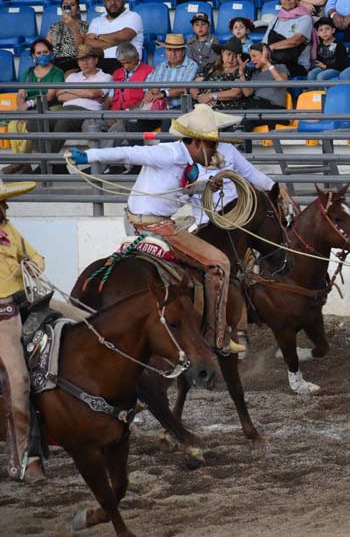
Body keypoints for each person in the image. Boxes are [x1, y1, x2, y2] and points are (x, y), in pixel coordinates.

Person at [67, 105, 242, 355]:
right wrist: (91, 156)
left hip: (138, 222)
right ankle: (217, 337)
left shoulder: (187, 160)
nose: (215, 151)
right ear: (198, 142)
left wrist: (201, 180)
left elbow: (186, 184)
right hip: (157, 225)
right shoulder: (169, 153)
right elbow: (129, 153)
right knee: (220, 263)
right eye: (212, 145)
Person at [0, 179, 47, 483]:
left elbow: (38, 258)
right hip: (3, 315)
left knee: (76, 321)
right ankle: (25, 457)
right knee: (18, 379)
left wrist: (31, 264)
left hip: (22, 304)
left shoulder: (10, 230)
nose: (4, 207)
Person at [28, 45, 111, 170]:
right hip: (65, 110)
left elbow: (93, 93)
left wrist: (72, 91)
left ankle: (46, 166)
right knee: (34, 123)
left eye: (88, 59)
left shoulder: (105, 77)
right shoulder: (72, 77)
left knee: (64, 121)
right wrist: (86, 93)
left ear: (96, 60)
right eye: (81, 60)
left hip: (87, 113)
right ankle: (56, 165)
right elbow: (60, 96)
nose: (84, 62)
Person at [1, 40, 64, 174]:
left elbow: (51, 94)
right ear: (33, 56)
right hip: (28, 109)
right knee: (13, 125)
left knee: (28, 126)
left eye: (45, 52)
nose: (42, 55)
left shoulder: (57, 72)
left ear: (51, 53)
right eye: (39, 53)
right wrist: (22, 109)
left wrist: (29, 103)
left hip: (49, 107)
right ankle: (23, 163)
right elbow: (20, 94)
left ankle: (20, 163)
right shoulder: (28, 73)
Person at [130, 34, 200, 133]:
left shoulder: (191, 66)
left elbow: (185, 87)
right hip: (157, 108)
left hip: (179, 108)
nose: (173, 54)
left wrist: (163, 93)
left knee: (167, 121)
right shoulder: (160, 66)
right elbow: (148, 84)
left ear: (183, 51)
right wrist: (149, 92)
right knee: (133, 124)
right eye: (169, 50)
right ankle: (138, 148)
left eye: (177, 50)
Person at [104, 43, 155, 155]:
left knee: (118, 128)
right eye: (123, 63)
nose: (126, 66)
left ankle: (99, 164)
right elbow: (110, 98)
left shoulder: (149, 71)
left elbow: (147, 99)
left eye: (129, 62)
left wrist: (125, 113)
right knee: (91, 123)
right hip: (115, 113)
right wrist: (106, 114)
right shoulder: (117, 73)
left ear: (136, 57)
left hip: (132, 114)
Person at [84, 0, 144, 75]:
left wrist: (99, 37)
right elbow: (89, 43)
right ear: (104, 2)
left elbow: (124, 36)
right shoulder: (96, 21)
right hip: (98, 63)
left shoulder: (133, 16)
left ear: (123, 1)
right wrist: (114, 42)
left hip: (125, 62)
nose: (113, 2)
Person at [262, 0, 314, 76]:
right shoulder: (275, 19)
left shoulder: (305, 18)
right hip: (275, 60)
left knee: (270, 73)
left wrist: (272, 47)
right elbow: (264, 43)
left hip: (296, 64)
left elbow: (296, 40)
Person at [191, 37, 253, 110]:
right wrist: (199, 96)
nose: (231, 59)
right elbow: (193, 84)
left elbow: (236, 93)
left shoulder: (242, 70)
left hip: (228, 110)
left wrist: (211, 96)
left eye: (235, 56)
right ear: (222, 53)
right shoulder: (211, 67)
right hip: (203, 107)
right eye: (228, 54)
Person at [45, 0, 88, 74]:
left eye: (72, 5)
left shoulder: (84, 25)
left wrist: (73, 27)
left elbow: (80, 47)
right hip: (55, 62)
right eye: (65, 5)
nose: (69, 7)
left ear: (78, 9)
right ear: (62, 9)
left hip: (74, 62)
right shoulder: (54, 26)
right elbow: (46, 46)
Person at [307, 16, 350, 81]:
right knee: (311, 75)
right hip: (323, 67)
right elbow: (319, 62)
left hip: (336, 69)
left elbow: (341, 65)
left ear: (333, 30)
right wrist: (320, 66)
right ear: (318, 33)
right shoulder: (320, 46)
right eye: (321, 30)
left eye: (327, 29)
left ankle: (322, 91)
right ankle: (313, 91)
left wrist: (326, 67)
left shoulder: (339, 45)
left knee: (321, 76)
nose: (324, 32)